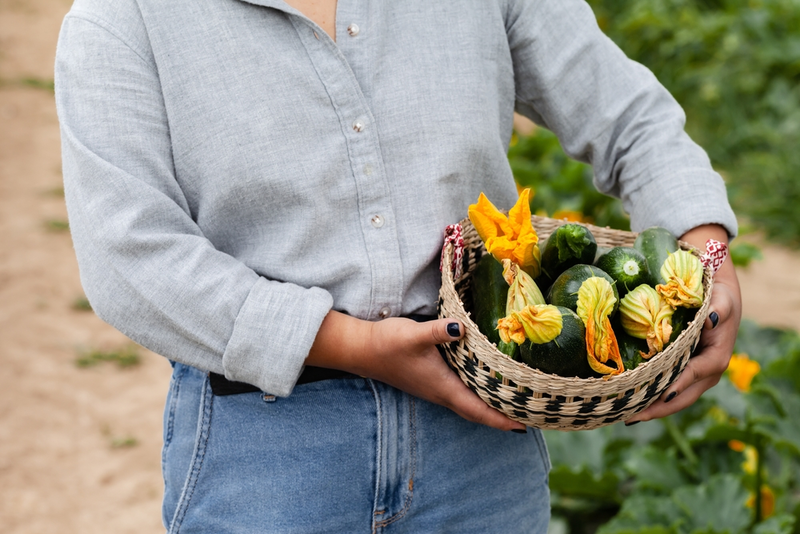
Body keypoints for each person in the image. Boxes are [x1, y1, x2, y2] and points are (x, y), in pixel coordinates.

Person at [54, 0, 741, 532]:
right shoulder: (125, 18)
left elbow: (630, 118)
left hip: (483, 445)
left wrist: (705, 251)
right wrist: (353, 345)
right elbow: (132, 256)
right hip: (265, 453)